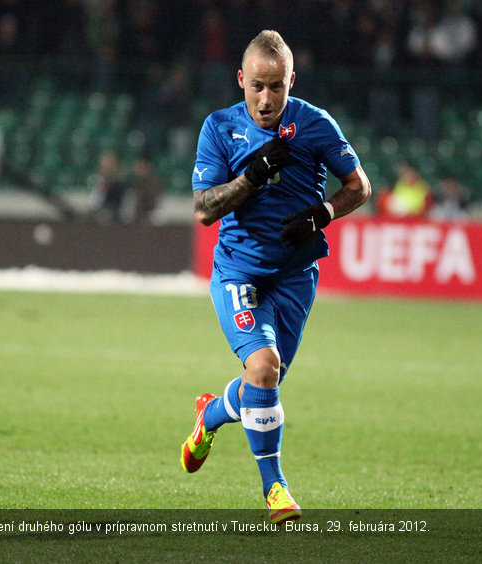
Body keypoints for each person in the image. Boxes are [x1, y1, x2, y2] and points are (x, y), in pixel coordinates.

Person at [182, 30, 371, 524]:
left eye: (277, 88)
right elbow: (203, 210)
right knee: (264, 369)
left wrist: (323, 213)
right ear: (241, 80)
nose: (266, 100)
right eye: (257, 87)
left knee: (262, 382)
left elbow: (359, 186)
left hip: (295, 276)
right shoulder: (219, 128)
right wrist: (251, 177)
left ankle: (210, 416)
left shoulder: (314, 125)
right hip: (239, 272)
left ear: (292, 81)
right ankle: (276, 490)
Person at [91, 151, 127, 223]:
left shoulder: (119, 182)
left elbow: (119, 202)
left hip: (114, 213)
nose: (106, 167)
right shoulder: (99, 179)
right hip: (100, 211)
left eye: (108, 164)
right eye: (104, 164)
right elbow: (96, 199)